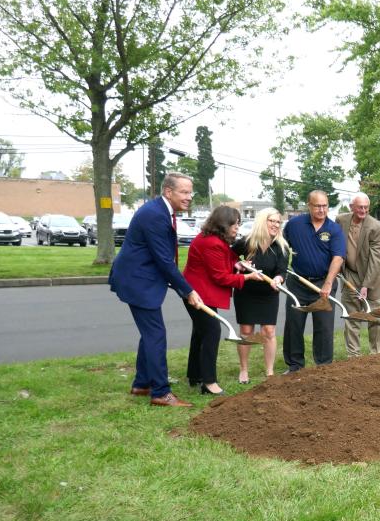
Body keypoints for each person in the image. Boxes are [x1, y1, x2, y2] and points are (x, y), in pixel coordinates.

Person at [108, 172, 202, 408]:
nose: (189, 197)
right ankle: (161, 392)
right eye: (184, 192)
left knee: (151, 333)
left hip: (142, 278)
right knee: (156, 335)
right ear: (168, 192)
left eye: (190, 192)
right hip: (138, 281)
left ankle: (142, 383)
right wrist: (188, 291)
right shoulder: (155, 215)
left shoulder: (161, 211)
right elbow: (164, 260)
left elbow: (160, 258)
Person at [183, 206, 263, 395]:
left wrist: (237, 263)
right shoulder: (212, 242)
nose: (237, 228)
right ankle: (209, 383)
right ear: (224, 224)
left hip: (197, 293)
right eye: (235, 224)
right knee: (211, 332)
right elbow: (221, 277)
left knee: (200, 334)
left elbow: (222, 261)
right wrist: (248, 277)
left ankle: (195, 375)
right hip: (199, 295)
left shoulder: (212, 239)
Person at [282, 190, 346, 372]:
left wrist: (327, 283)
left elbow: (338, 258)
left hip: (323, 285)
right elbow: (282, 247)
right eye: (317, 205)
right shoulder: (294, 225)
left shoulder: (334, 229)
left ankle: (323, 366)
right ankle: (295, 365)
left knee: (324, 327)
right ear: (308, 205)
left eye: (325, 205)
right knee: (293, 325)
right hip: (298, 284)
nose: (321, 209)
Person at [231, 207, 289, 383]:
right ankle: (244, 370)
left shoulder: (281, 246)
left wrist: (278, 279)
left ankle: (269, 371)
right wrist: (238, 265)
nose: (275, 225)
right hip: (246, 292)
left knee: (269, 331)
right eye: (271, 220)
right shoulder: (247, 242)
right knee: (247, 331)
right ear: (263, 221)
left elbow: (282, 271)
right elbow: (228, 258)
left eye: (278, 222)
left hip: (268, 294)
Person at [336, 193, 380, 356]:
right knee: (352, 318)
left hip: (373, 279)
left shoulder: (375, 227)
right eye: (360, 207)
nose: (363, 210)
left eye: (366, 207)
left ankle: (378, 355)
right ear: (352, 207)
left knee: (377, 319)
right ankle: (353, 357)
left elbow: (376, 259)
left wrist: (366, 285)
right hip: (350, 275)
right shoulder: (341, 220)